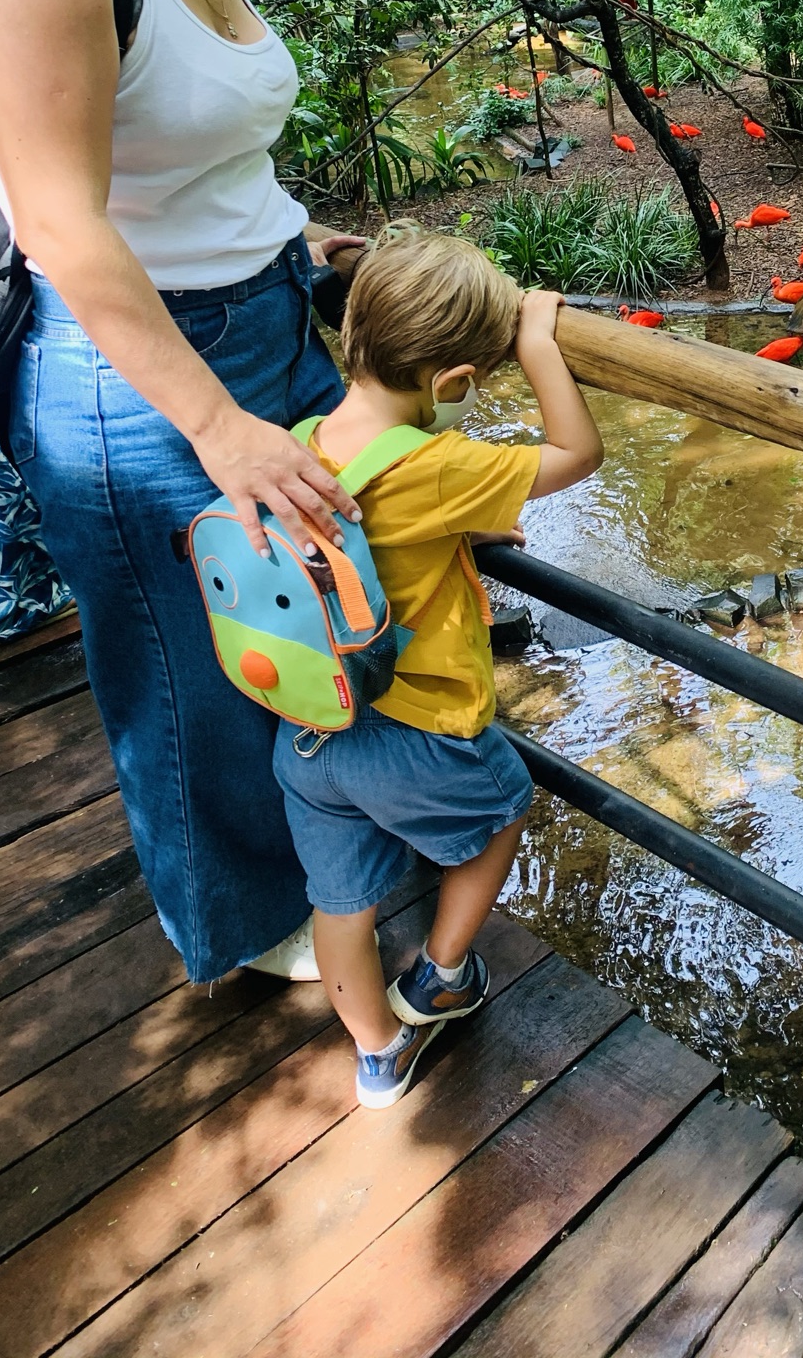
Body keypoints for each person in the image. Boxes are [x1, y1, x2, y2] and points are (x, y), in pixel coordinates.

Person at [0, 0, 366, 983]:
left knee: (315, 612)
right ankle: (247, 925)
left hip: (264, 315)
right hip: (139, 375)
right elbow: (62, 223)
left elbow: (188, 142)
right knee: (188, 680)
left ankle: (331, 857)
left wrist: (299, 239)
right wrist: (217, 425)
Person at [274, 228, 602, 1107]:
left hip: (311, 725)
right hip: (414, 728)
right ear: (454, 384)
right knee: (501, 808)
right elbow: (578, 456)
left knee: (339, 901)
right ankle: (443, 976)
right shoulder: (436, 461)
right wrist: (536, 343)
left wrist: (460, 521)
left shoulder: (303, 437)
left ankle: (376, 1053)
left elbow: (371, 534)